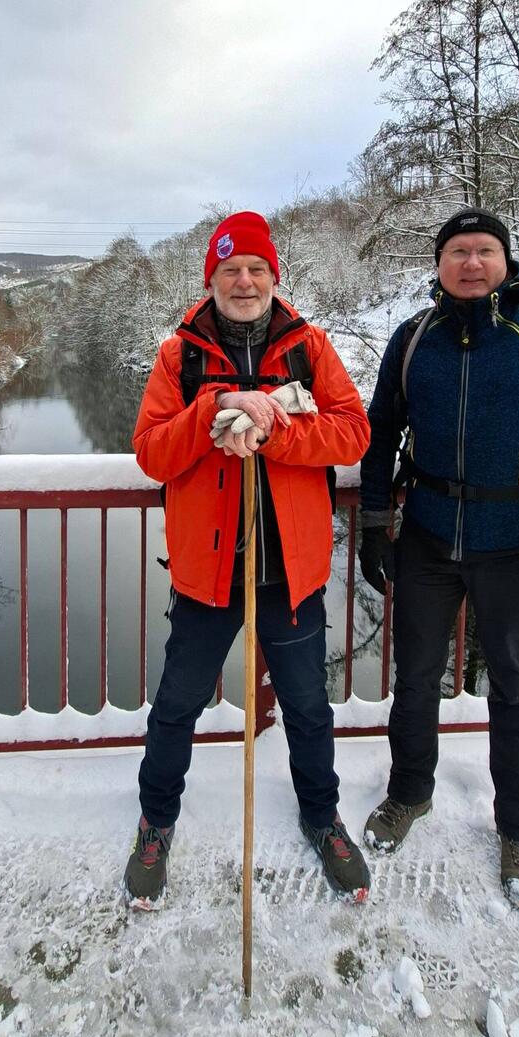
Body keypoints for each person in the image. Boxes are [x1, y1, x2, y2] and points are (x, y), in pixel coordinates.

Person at [359, 207, 519, 906]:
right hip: (429, 543)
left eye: (484, 251)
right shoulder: (415, 339)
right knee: (414, 681)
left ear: (507, 262)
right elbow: (379, 435)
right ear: (439, 266)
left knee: (514, 691)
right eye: (457, 252)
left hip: (517, 545)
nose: (471, 263)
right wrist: (375, 522)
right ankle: (409, 793)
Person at [125, 210, 372, 907]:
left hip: (289, 572)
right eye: (230, 269)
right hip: (209, 574)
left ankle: (322, 819)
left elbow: (353, 433)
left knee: (306, 705)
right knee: (177, 704)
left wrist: (275, 427)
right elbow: (150, 453)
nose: (243, 280)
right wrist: (213, 415)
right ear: (211, 278)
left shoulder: (308, 347)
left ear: (273, 276)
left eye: (256, 269)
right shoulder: (180, 356)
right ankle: (157, 820)